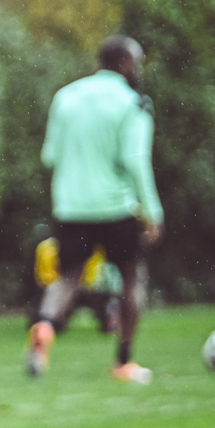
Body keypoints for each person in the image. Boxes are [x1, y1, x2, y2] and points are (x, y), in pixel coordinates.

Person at [25, 35, 162, 382]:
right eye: (137, 62)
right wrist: (152, 212)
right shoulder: (133, 103)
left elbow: (49, 156)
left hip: (70, 207)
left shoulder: (66, 96)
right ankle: (123, 361)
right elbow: (135, 160)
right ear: (125, 64)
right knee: (131, 278)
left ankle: (44, 328)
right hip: (116, 206)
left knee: (68, 277)